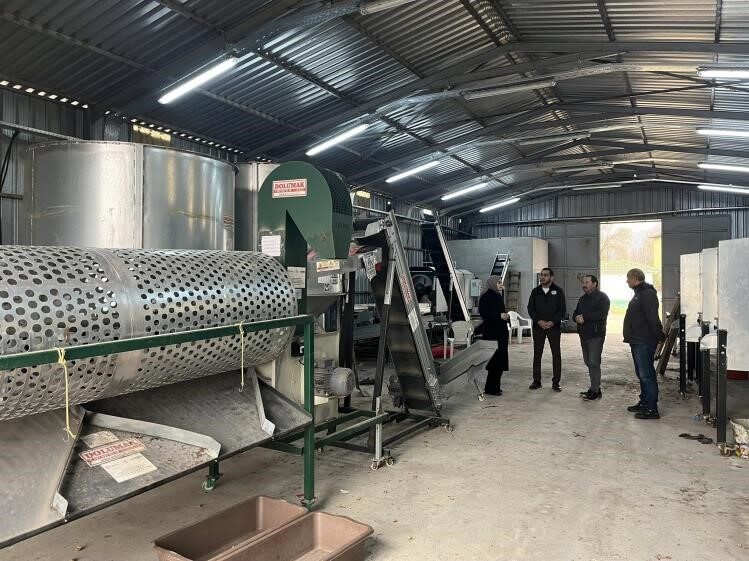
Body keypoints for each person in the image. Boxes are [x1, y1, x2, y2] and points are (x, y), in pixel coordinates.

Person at [623, 268, 665, 419]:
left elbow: (652, 318)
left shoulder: (647, 294)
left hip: (644, 341)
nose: (627, 281)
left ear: (635, 278)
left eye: (628, 278)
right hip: (637, 340)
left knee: (646, 375)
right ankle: (645, 402)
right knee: (642, 374)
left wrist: (660, 335)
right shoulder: (639, 293)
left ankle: (652, 409)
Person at [527, 268, 566, 391]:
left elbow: (562, 310)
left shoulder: (558, 291)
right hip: (538, 328)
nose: (542, 277)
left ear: (551, 277)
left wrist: (552, 322)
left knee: (556, 355)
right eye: (541, 275)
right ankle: (536, 381)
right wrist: (538, 321)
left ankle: (556, 382)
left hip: (554, 328)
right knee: (537, 355)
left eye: (545, 275)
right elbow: (530, 308)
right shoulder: (535, 291)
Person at [573, 274, 610, 401]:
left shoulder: (602, 298)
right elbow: (576, 312)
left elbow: (602, 314)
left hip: (595, 335)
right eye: (583, 282)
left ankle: (595, 390)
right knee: (588, 361)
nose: (584, 285)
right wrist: (576, 317)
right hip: (584, 335)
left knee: (594, 362)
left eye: (587, 282)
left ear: (595, 283)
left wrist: (584, 317)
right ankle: (594, 388)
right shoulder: (582, 299)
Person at [478, 275, 510, 396]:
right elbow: (485, 314)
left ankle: (494, 387)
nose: (501, 284)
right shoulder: (486, 296)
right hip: (493, 334)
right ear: (492, 283)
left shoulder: (497, 295)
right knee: (495, 362)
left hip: (500, 333)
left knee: (499, 361)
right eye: (499, 282)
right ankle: (492, 388)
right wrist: (499, 316)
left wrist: (504, 316)